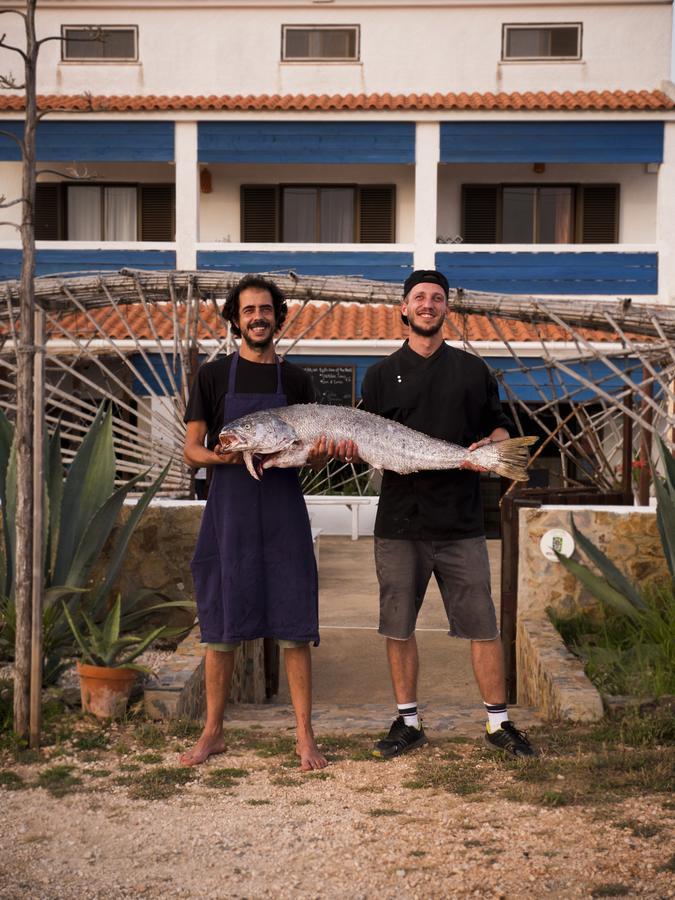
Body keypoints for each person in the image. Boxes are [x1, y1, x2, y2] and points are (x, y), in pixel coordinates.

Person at [360, 269, 536, 759]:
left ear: (446, 311)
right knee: (398, 626)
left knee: (483, 626)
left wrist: (495, 448)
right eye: (419, 297)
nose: (427, 305)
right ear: (403, 308)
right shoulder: (377, 376)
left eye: (437, 299)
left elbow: (500, 431)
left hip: (461, 523)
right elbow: (367, 445)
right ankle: (408, 722)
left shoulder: (472, 371)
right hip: (399, 522)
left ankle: (498, 723)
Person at [180, 274, 348, 770]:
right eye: (249, 310)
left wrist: (324, 453)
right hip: (228, 514)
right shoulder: (212, 378)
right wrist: (227, 458)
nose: (258, 317)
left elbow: (308, 455)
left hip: (282, 514)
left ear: (279, 318)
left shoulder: (296, 381)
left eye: (266, 310)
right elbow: (192, 449)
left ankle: (304, 736)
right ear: (235, 319)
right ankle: (212, 733)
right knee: (220, 628)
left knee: (295, 625)